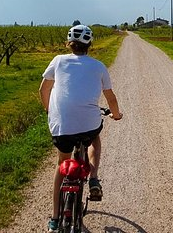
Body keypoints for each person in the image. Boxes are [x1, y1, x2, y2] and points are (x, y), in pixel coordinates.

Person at [39, 24, 123, 233]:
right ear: (90, 44)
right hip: (88, 125)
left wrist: (50, 111)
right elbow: (110, 97)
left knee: (62, 164)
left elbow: (44, 89)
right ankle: (93, 177)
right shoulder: (98, 66)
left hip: (61, 126)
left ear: (69, 44)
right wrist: (116, 114)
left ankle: (55, 220)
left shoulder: (58, 61)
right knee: (95, 139)